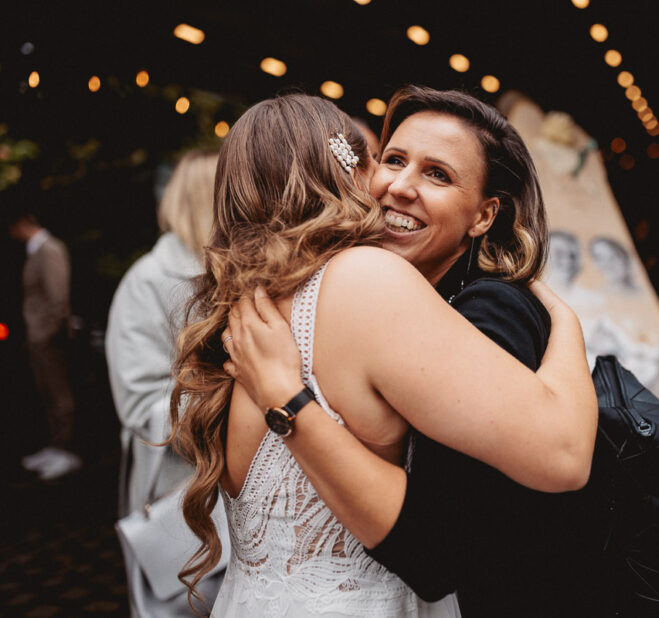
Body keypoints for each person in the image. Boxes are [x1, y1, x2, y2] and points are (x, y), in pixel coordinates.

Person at [169, 92, 597, 617]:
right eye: (388, 160)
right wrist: (568, 324)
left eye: (437, 174)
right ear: (346, 172)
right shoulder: (365, 280)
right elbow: (564, 454)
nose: (396, 185)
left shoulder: (246, 306)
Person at [105, 150, 225, 617]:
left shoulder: (248, 270)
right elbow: (140, 404)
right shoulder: (147, 281)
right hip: (182, 492)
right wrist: (244, 401)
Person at [9, 210, 82, 480]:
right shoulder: (37, 250)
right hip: (39, 336)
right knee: (47, 391)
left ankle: (66, 449)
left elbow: (57, 295)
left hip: (49, 336)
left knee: (59, 392)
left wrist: (50, 333)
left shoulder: (49, 249)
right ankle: (56, 446)